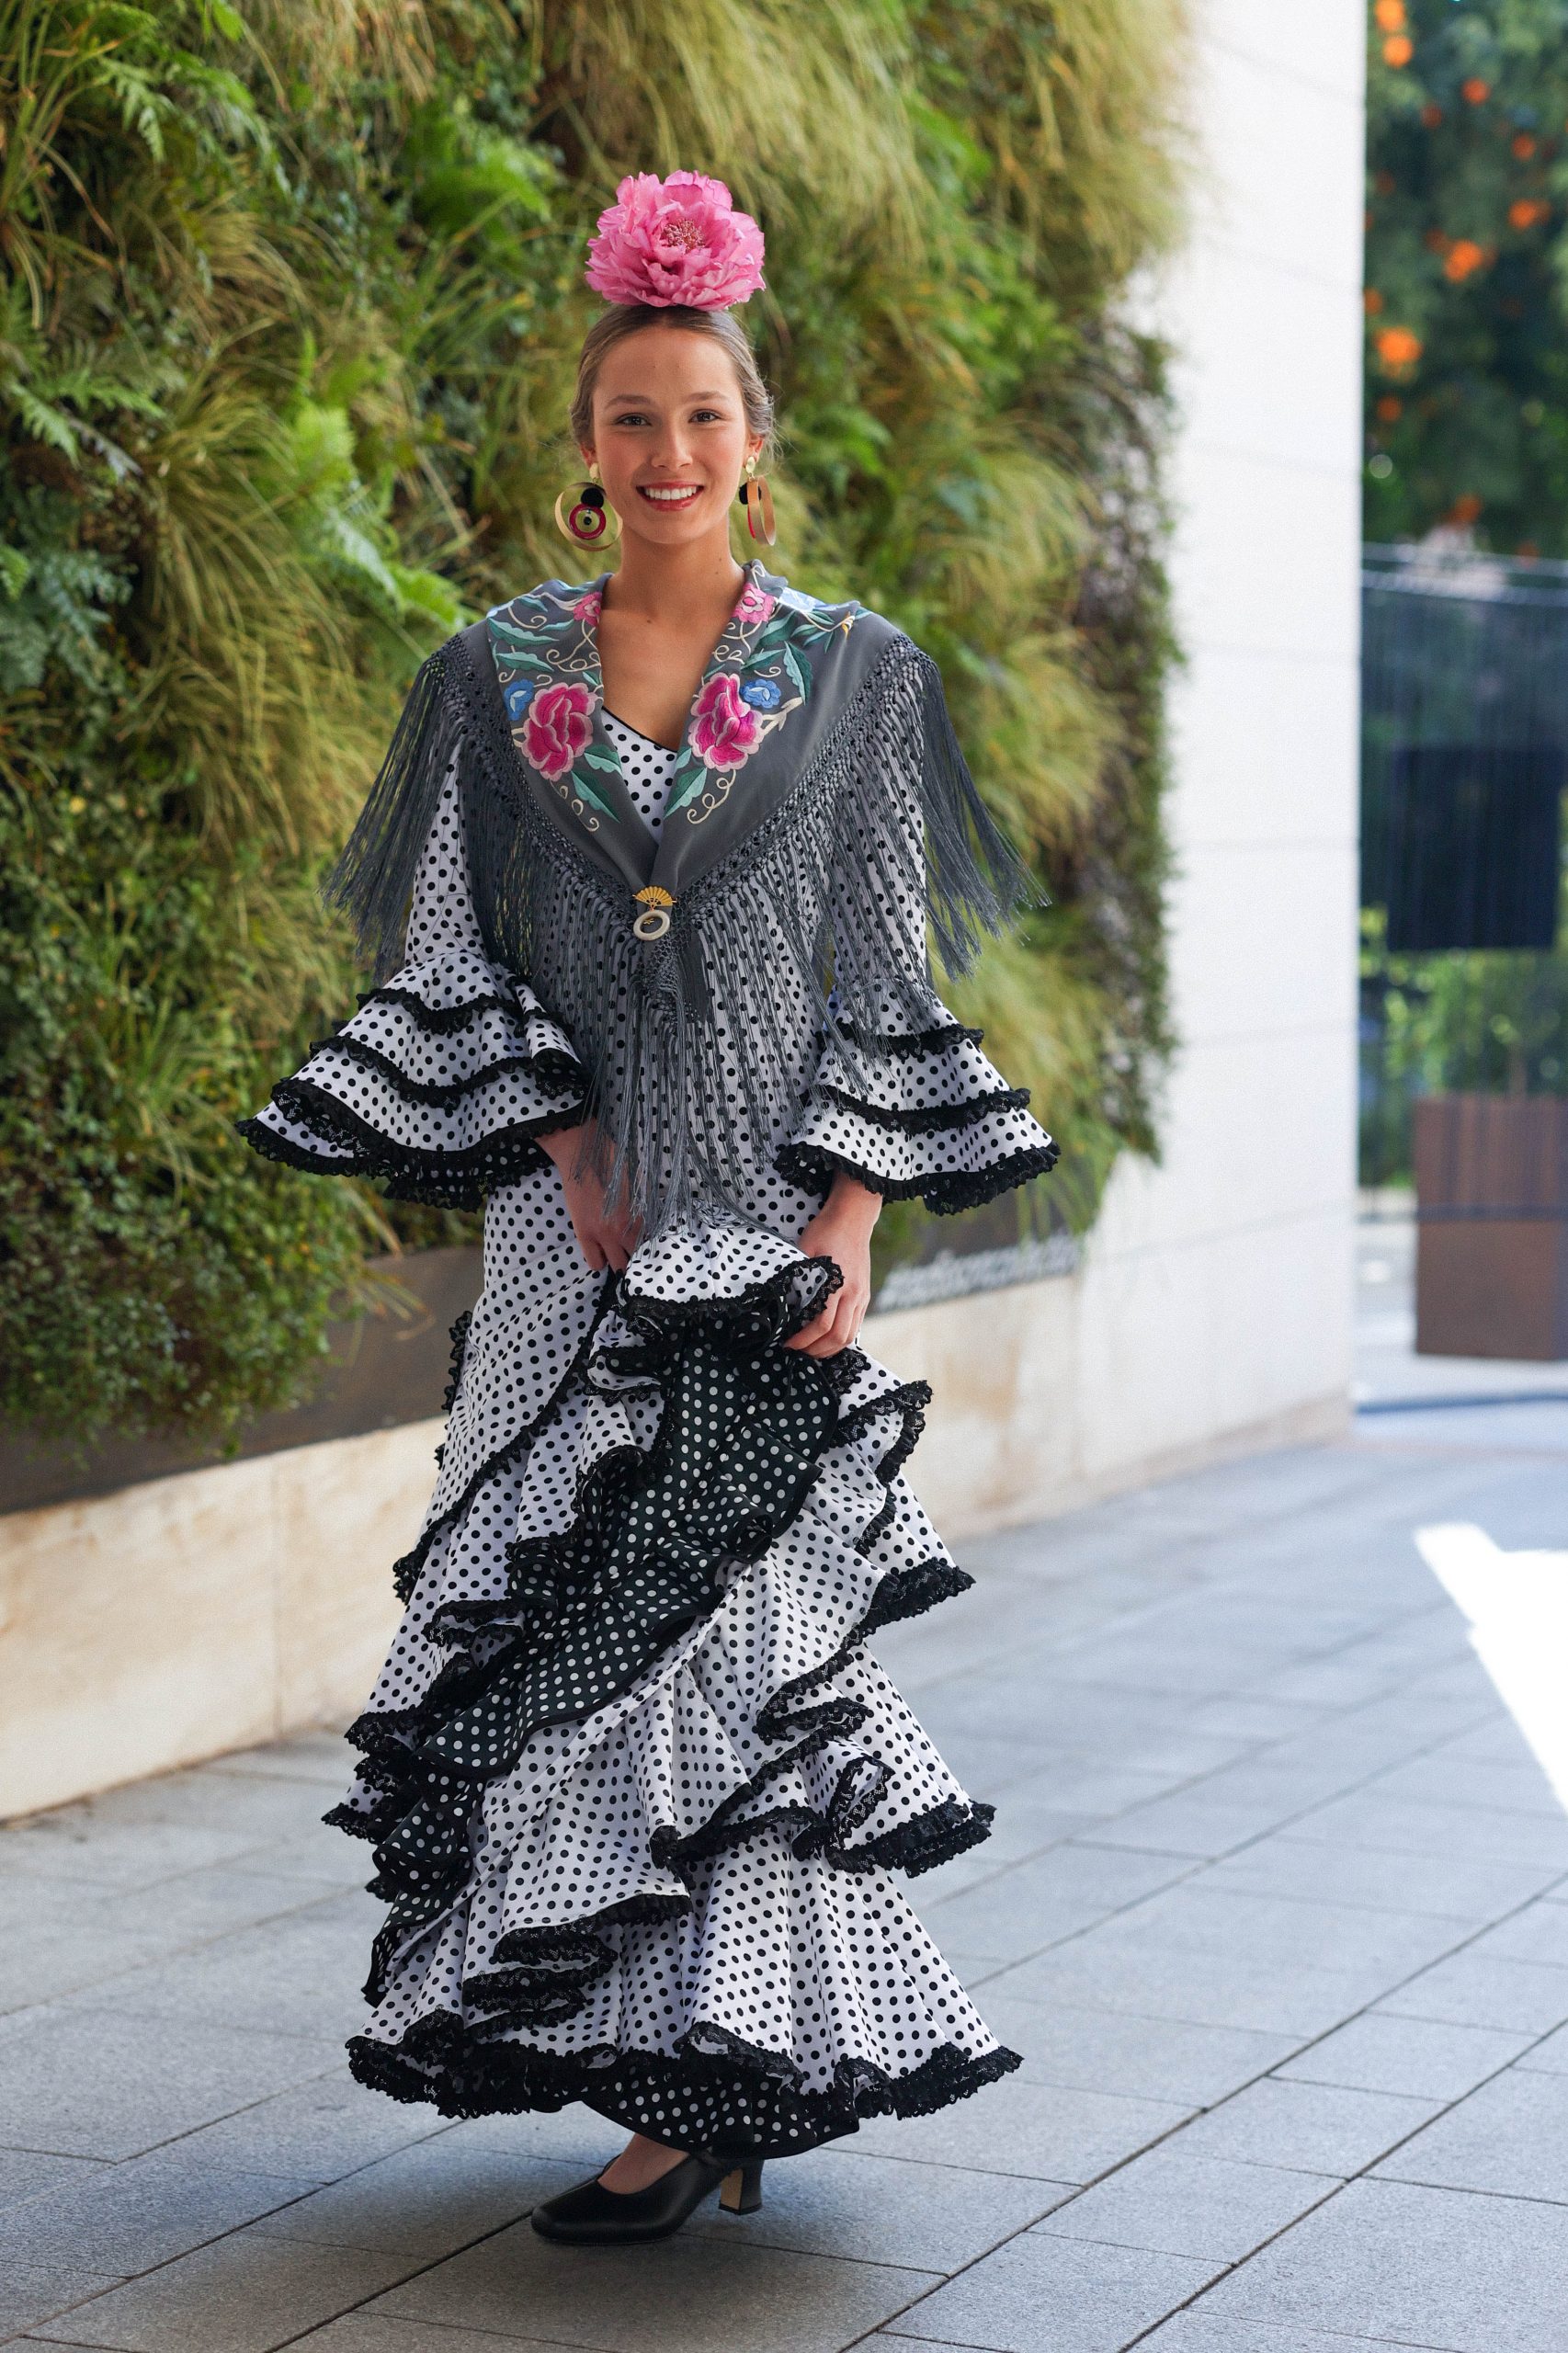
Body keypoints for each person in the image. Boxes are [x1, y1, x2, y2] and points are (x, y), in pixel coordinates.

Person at [241, 169, 1058, 2246]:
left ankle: (711, 2080)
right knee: (561, 1641)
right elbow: (445, 955)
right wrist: (573, 1161)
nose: (668, 452)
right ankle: (668, 2070)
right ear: (583, 450)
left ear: (752, 445)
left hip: (769, 1229)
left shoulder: (857, 677)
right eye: (632, 418)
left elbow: (886, 970)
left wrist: (854, 1218)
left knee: (744, 1656)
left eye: (702, 415)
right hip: (562, 1243)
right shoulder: (485, 673)